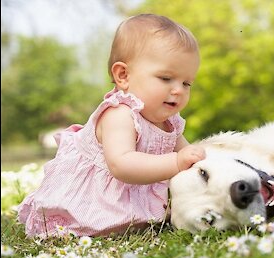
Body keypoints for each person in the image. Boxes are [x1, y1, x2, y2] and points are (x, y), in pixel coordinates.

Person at [17, 14, 206, 237]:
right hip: (91, 202)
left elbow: (188, 153)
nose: (179, 90)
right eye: (166, 78)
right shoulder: (119, 114)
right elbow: (122, 164)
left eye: (187, 83)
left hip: (129, 203)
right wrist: (176, 161)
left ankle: (141, 219)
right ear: (123, 75)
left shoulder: (170, 122)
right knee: (80, 226)